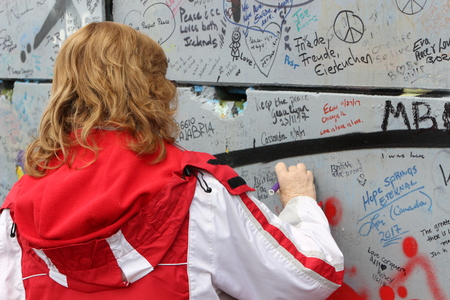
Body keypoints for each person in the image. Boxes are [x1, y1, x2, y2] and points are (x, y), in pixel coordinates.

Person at [0, 21, 343, 300]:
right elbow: (309, 276)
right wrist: (300, 204)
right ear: (152, 88)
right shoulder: (196, 189)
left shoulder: (16, 211)